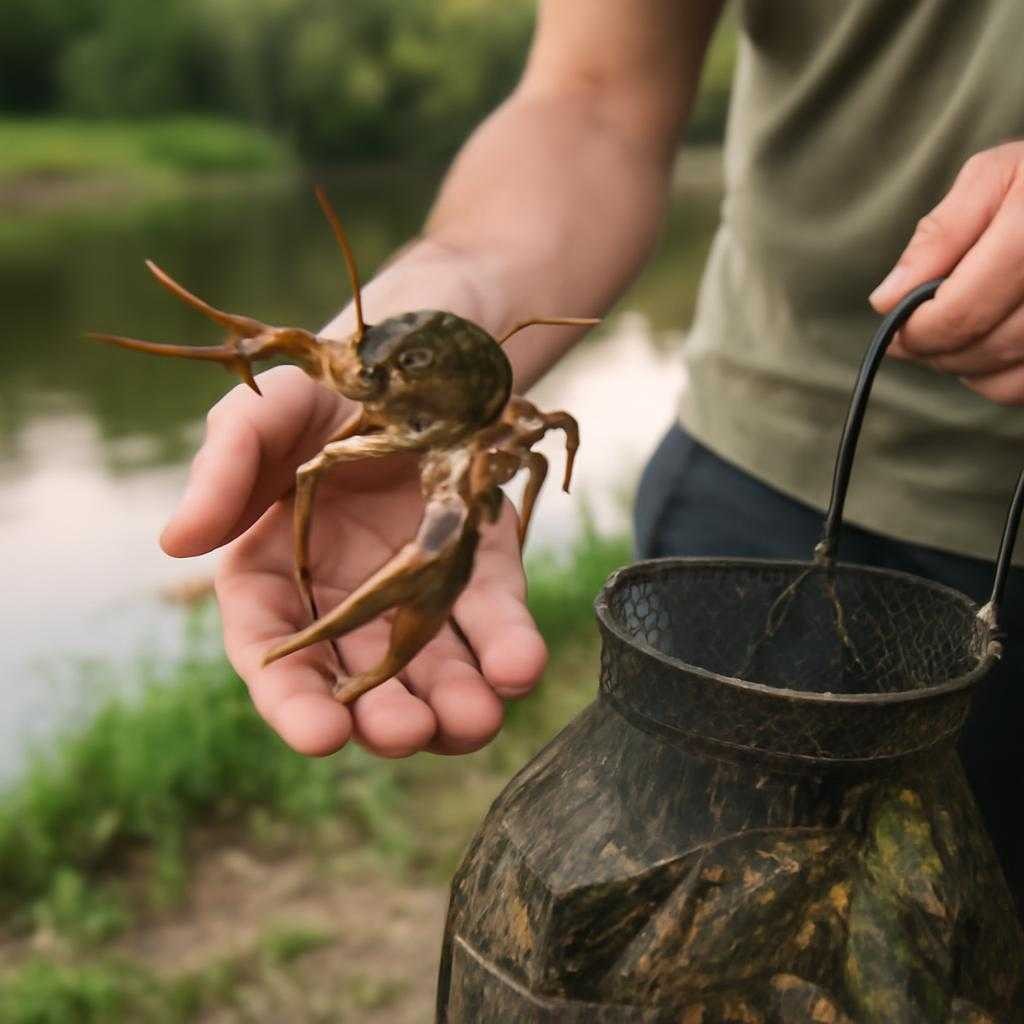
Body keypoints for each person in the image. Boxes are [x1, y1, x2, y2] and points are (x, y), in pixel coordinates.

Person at [159, 2, 1024, 910]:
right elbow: (593, 96)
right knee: (709, 905)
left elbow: (545, 435)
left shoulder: (507, 432)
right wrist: (459, 272)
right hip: (773, 478)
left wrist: (521, 463)